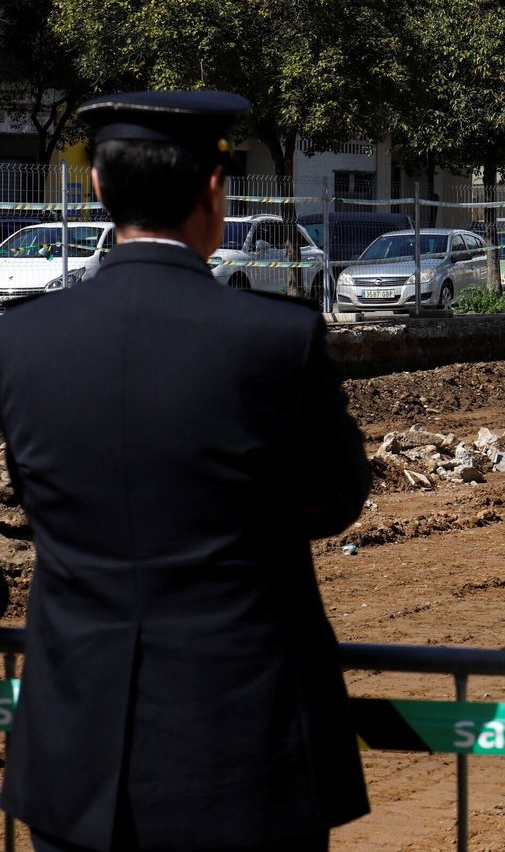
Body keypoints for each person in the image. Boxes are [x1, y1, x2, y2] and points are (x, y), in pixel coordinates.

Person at [0, 91, 371, 852]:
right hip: (247, 754)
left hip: (75, 761)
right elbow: (335, 497)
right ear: (214, 190)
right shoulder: (278, 337)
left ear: (97, 190)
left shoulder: (22, 340)